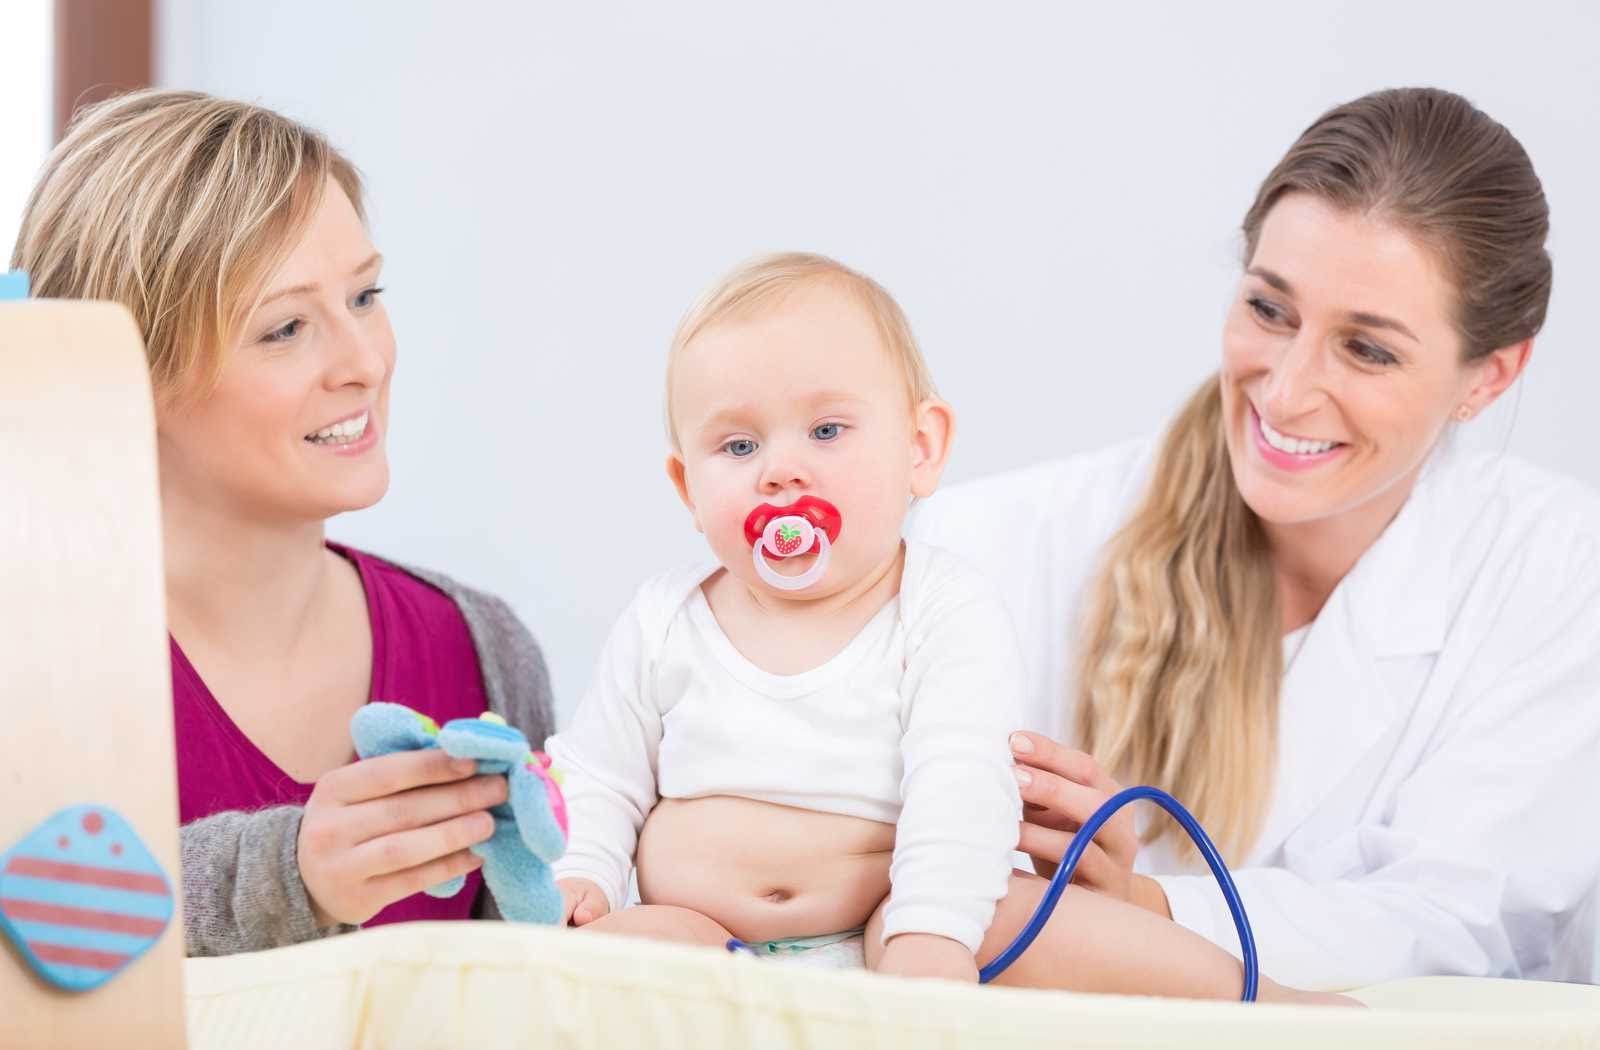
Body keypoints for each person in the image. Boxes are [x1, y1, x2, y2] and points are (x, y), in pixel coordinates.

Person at [910, 86, 1600, 990]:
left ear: (1490, 377)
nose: (1282, 393)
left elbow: (1463, 929)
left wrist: (1145, 912)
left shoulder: (1556, 573)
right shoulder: (994, 540)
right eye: (1270, 311)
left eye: (1369, 350)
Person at [548, 252, 1347, 1003]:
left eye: (827, 431)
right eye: (738, 444)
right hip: (706, 935)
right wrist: (583, 870)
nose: (780, 470)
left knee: (1027, 915)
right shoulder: (663, 618)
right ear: (689, 487)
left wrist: (933, 933)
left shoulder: (942, 606)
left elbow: (960, 779)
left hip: (895, 924)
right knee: (605, 955)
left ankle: (1266, 1004)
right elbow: (601, 772)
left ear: (920, 450)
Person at [11, 89, 555, 956]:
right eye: (286, 328)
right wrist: (284, 877)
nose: (364, 360)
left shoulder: (482, 649)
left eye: (366, 295)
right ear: (128, 373)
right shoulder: (31, 668)